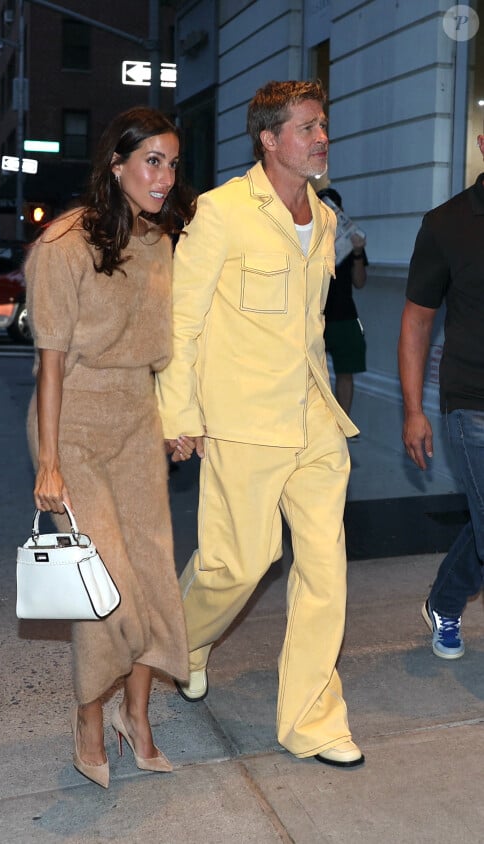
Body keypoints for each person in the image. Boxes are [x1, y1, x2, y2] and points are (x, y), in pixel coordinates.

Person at [156, 80, 364, 768]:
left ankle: (312, 719)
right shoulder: (220, 213)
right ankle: (180, 638)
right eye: (307, 127)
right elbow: (183, 321)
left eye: (323, 125)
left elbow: (308, 326)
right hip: (242, 419)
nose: (321, 138)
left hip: (311, 417)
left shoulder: (327, 219)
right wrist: (178, 414)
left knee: (325, 568)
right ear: (269, 140)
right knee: (239, 564)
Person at [25, 106, 196, 788]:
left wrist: (178, 417)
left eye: (173, 163)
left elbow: (168, 347)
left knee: (153, 573)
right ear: (116, 165)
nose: (164, 176)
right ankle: (89, 717)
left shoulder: (160, 242)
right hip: (73, 421)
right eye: (152, 161)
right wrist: (49, 460)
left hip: (137, 417)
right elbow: (50, 363)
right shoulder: (63, 246)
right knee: (107, 588)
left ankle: (137, 712)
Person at [398, 136, 484, 660]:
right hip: (473, 399)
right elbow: (417, 320)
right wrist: (413, 410)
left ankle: (444, 601)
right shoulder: (447, 223)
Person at [317, 187, 367, 417]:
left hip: (344, 314)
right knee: (313, 374)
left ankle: (343, 422)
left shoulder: (351, 238)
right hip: (315, 315)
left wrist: (357, 253)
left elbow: (359, 282)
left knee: (345, 371)